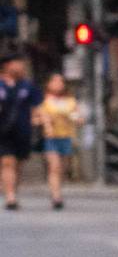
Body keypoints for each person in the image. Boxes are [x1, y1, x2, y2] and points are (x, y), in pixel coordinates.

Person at [33, 73, 82, 210]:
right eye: (54, 81)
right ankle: (56, 196)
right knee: (54, 166)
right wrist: (44, 121)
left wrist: (74, 118)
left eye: (60, 81)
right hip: (51, 138)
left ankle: (58, 189)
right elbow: (34, 120)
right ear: (48, 84)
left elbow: (79, 119)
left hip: (66, 137)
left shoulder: (70, 101)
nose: (58, 84)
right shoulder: (43, 102)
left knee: (62, 169)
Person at [0, 52, 36, 211]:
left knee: (18, 164)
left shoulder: (27, 85)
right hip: (2, 131)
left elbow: (36, 106)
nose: (21, 67)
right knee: (7, 162)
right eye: (17, 63)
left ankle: (12, 190)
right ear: (7, 65)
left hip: (22, 130)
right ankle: (10, 197)